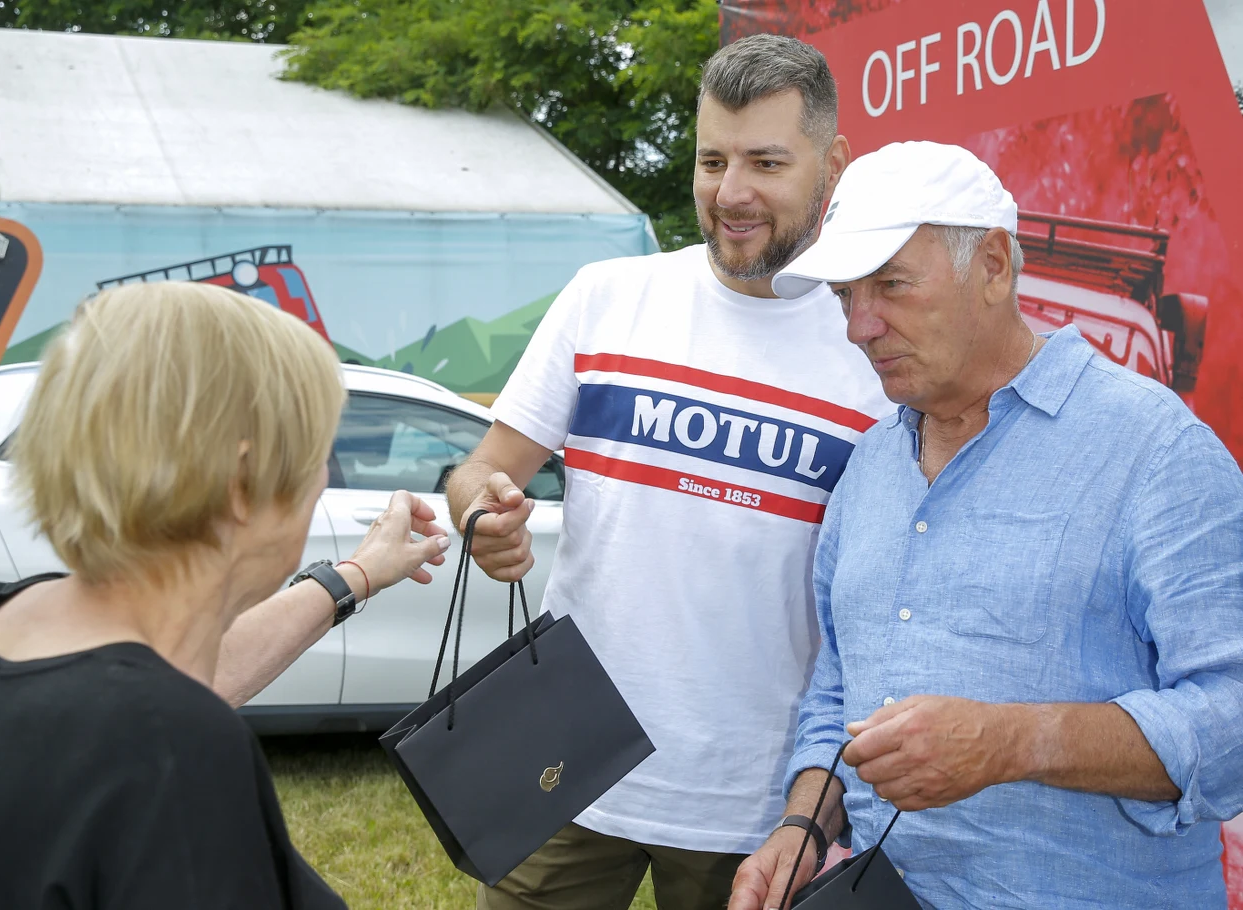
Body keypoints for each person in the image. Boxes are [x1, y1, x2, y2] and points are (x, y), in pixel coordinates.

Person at [729, 140, 1243, 910]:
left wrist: (1013, 742)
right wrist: (804, 826)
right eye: (844, 296)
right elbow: (839, 694)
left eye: (892, 286)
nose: (858, 326)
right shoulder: (871, 466)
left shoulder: (1155, 451)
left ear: (995, 266)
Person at [444, 35, 894, 910]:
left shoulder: (873, 351)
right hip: (566, 767)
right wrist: (482, 513)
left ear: (832, 164)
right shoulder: (606, 295)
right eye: (712, 160)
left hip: (762, 804)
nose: (732, 194)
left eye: (766, 161)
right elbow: (483, 470)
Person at [0, 281, 454, 910]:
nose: (320, 485)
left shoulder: (21, 621)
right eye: (317, 458)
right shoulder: (173, 751)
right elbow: (162, 713)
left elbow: (177, 676)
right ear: (242, 481)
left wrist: (359, 573)